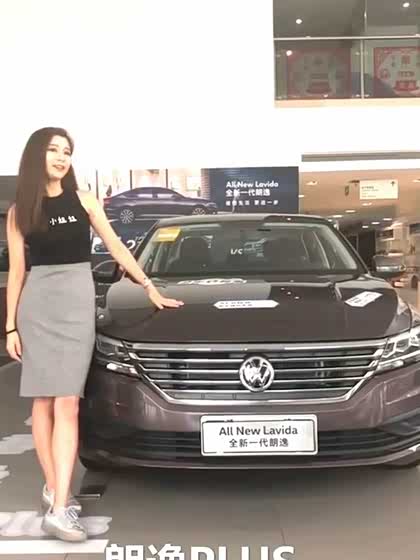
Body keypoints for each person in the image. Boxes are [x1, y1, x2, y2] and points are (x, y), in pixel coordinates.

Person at [5, 127, 184, 543]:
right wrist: (10, 325)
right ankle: (58, 496)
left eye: (67, 151)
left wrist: (149, 287)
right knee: (42, 402)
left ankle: (59, 502)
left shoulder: (84, 200)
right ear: (36, 155)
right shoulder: (20, 211)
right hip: (38, 307)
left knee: (67, 402)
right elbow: (16, 272)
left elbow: (117, 246)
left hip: (76, 306)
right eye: (53, 150)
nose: (61, 157)